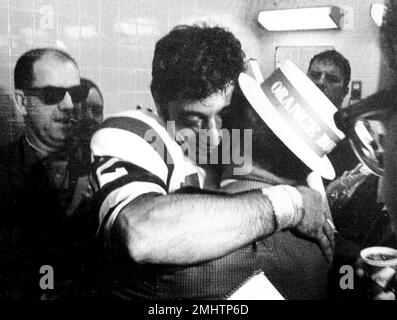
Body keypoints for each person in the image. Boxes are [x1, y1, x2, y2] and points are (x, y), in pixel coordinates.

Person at [89, 24, 334, 299]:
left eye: (223, 115)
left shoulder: (232, 135)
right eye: (193, 121)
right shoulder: (137, 133)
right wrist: (292, 204)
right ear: (160, 102)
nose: (215, 137)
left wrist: (312, 189)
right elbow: (141, 234)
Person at [0, 48, 90, 299]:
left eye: (76, 93)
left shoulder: (101, 160)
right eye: (53, 94)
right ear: (21, 102)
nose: (69, 105)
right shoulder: (5, 173)